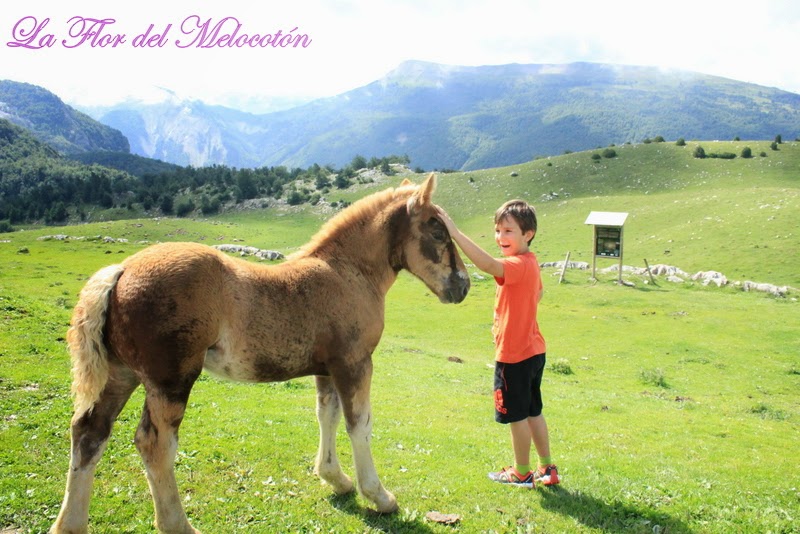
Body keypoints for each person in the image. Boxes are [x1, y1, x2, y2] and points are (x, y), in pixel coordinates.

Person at [436, 200, 559, 488]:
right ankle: (547, 468)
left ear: (527, 234)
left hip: (514, 355)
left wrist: (453, 231)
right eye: (497, 230)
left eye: (508, 231)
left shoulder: (516, 264)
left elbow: (489, 264)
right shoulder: (531, 262)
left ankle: (522, 472)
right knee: (533, 411)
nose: (500, 237)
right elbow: (538, 294)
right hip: (533, 349)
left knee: (517, 416)